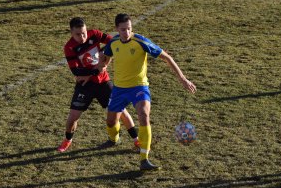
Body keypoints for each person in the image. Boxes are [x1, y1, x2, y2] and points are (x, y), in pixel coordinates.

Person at [101, 13, 197, 171]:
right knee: (111, 121)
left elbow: (167, 57)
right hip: (119, 89)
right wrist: (102, 65)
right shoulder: (113, 42)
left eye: (129, 29)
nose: (127, 33)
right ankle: (113, 139)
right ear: (117, 29)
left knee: (144, 115)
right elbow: (108, 55)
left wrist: (183, 79)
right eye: (123, 29)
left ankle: (144, 158)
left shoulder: (140, 41)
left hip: (139, 87)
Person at [57, 17, 139, 152]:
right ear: (71, 32)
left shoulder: (94, 34)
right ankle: (67, 140)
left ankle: (136, 140)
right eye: (78, 34)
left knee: (122, 111)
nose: (82, 36)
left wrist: (104, 53)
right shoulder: (69, 47)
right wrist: (96, 70)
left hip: (103, 82)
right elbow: (76, 71)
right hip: (85, 85)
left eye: (83, 32)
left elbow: (113, 41)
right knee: (72, 117)